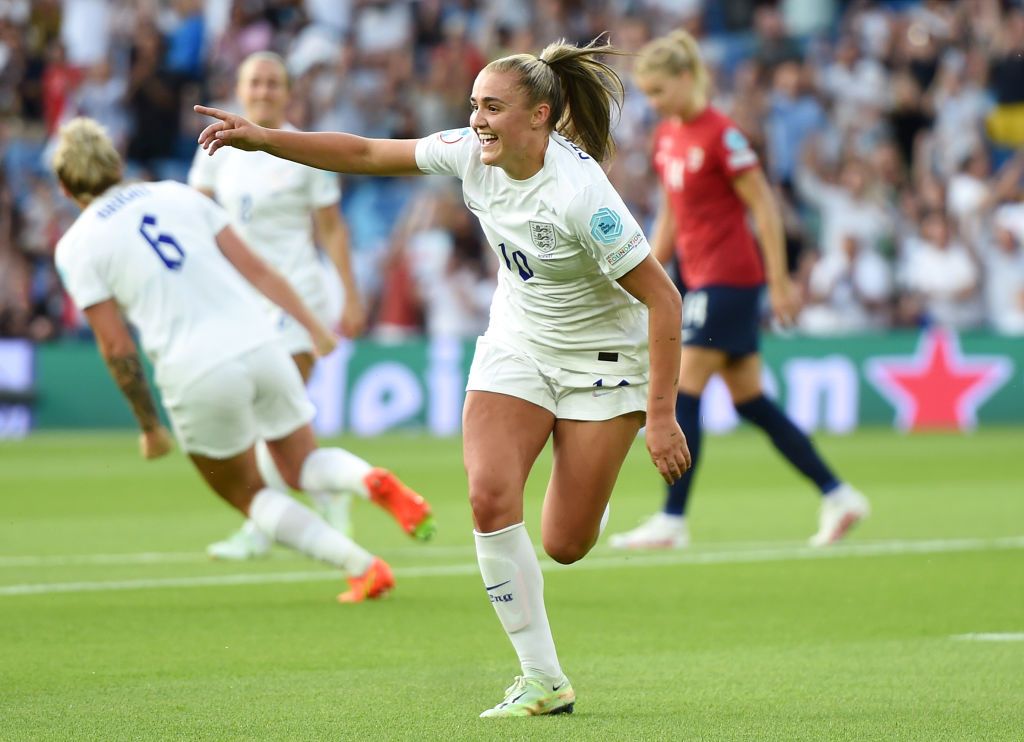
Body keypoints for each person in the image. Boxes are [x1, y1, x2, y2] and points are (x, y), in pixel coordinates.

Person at [196, 36, 691, 718]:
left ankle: (590, 485)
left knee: (564, 544)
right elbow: (368, 153)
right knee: (489, 500)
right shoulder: (469, 152)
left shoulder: (582, 197)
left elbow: (664, 300)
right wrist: (266, 140)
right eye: (474, 105)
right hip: (516, 344)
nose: (478, 119)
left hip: (601, 364)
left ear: (541, 116)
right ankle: (542, 678)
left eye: (493, 107)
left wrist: (661, 416)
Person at [52, 117, 435, 604]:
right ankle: (368, 478)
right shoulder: (176, 194)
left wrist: (149, 425)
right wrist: (314, 327)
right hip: (260, 342)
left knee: (248, 492)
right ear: (117, 164)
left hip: (195, 370)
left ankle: (362, 567)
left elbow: (116, 347)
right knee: (304, 462)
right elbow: (257, 268)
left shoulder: (77, 245)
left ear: (65, 188)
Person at [609, 30, 868, 551]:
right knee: (751, 401)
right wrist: (644, 273)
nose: (654, 102)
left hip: (730, 279)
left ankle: (673, 520)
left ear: (686, 78)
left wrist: (779, 281)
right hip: (700, 278)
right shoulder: (667, 138)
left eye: (659, 91)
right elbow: (671, 219)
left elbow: (764, 208)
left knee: (684, 392)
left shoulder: (721, 134)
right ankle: (838, 494)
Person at [188, 51, 373, 560]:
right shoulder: (215, 147)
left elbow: (332, 228)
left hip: (297, 300)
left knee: (270, 416)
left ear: (288, 93)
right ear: (240, 90)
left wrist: (351, 295)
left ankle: (262, 525)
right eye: (256, 82)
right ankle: (321, 495)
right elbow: (197, 225)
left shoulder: (304, 151)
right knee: (258, 418)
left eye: (274, 83)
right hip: (237, 305)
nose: (265, 90)